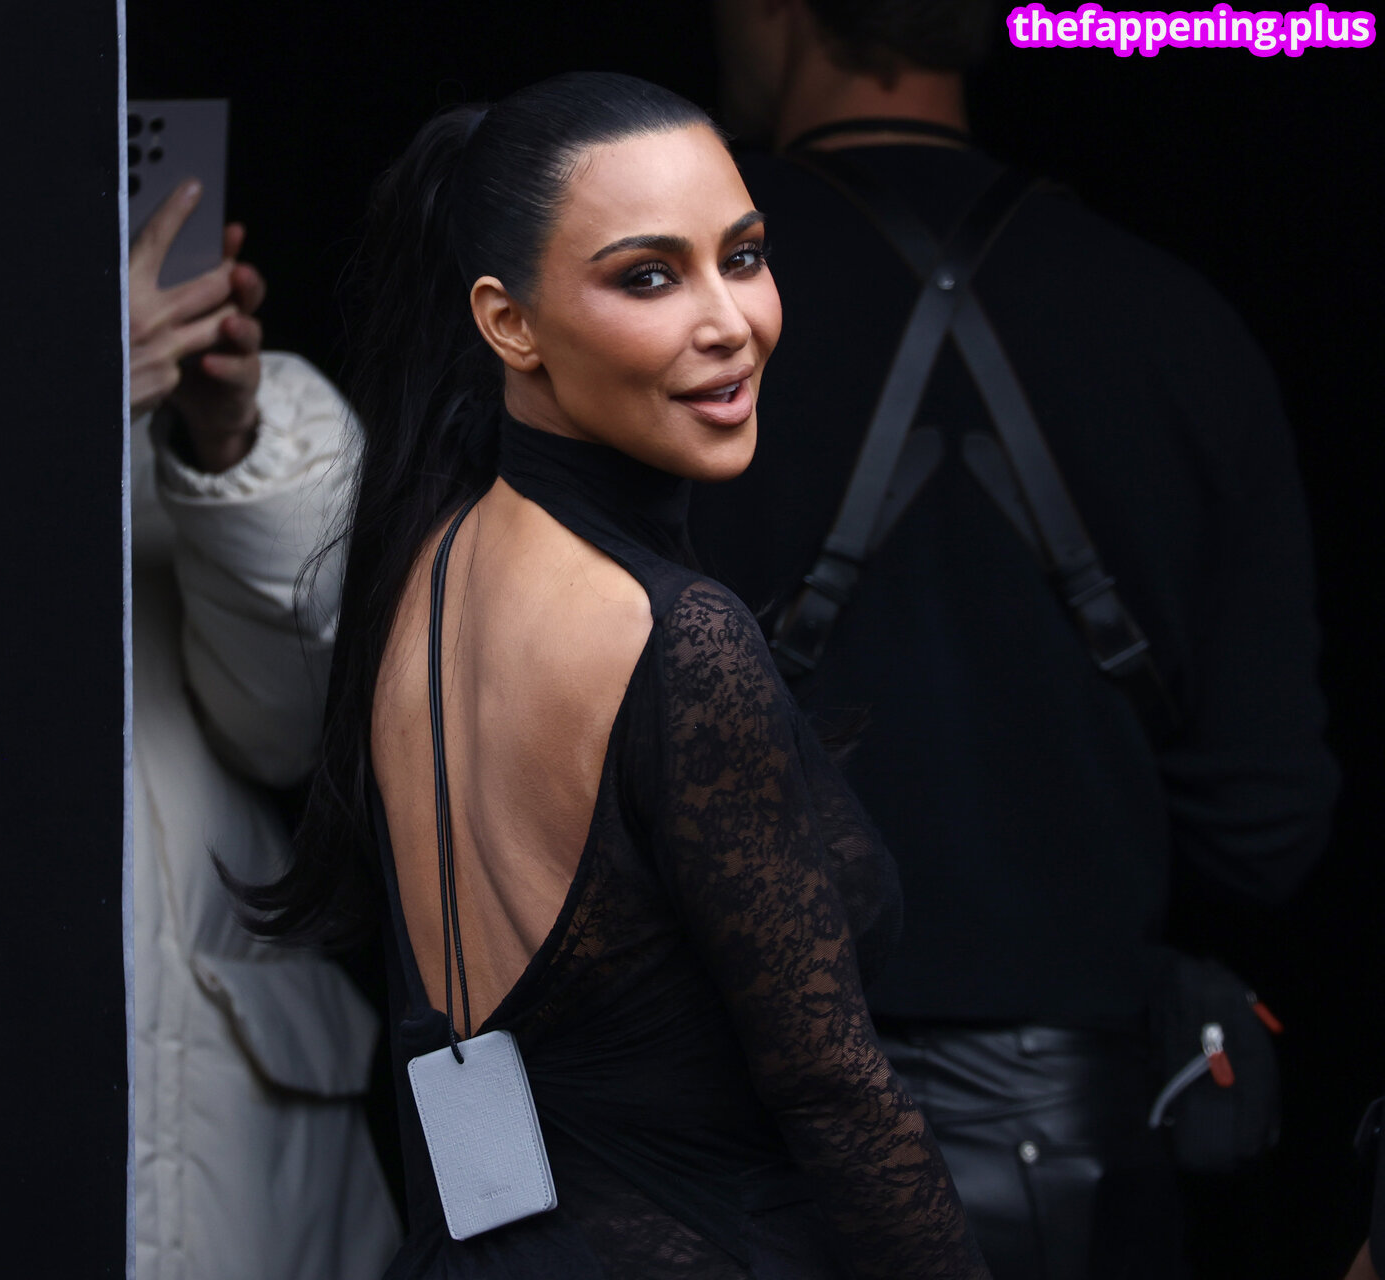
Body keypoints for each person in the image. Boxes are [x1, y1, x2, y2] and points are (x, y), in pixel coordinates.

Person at [235, 72, 990, 1278]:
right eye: (649, 276)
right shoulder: (674, 637)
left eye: (743, 256)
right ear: (509, 323)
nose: (729, 320)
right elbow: (838, 1096)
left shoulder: (429, 562)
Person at [689, 2, 1341, 1276]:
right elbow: (1270, 829)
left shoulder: (656, 320)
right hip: (1073, 1157)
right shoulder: (1177, 321)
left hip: (730, 1134)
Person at [128, 181, 400, 1279]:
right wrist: (55, 393)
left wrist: (223, 439)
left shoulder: (269, 426)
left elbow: (288, 731)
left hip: (217, 1113)